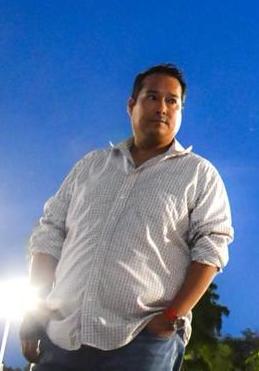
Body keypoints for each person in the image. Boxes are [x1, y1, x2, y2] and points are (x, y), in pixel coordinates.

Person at [21, 63, 234, 370]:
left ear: (180, 112)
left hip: (141, 343)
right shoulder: (90, 166)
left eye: (172, 101)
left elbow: (212, 247)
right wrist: (34, 310)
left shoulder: (198, 174)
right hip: (63, 338)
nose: (162, 107)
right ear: (131, 105)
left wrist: (171, 317)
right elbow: (50, 233)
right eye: (152, 97)